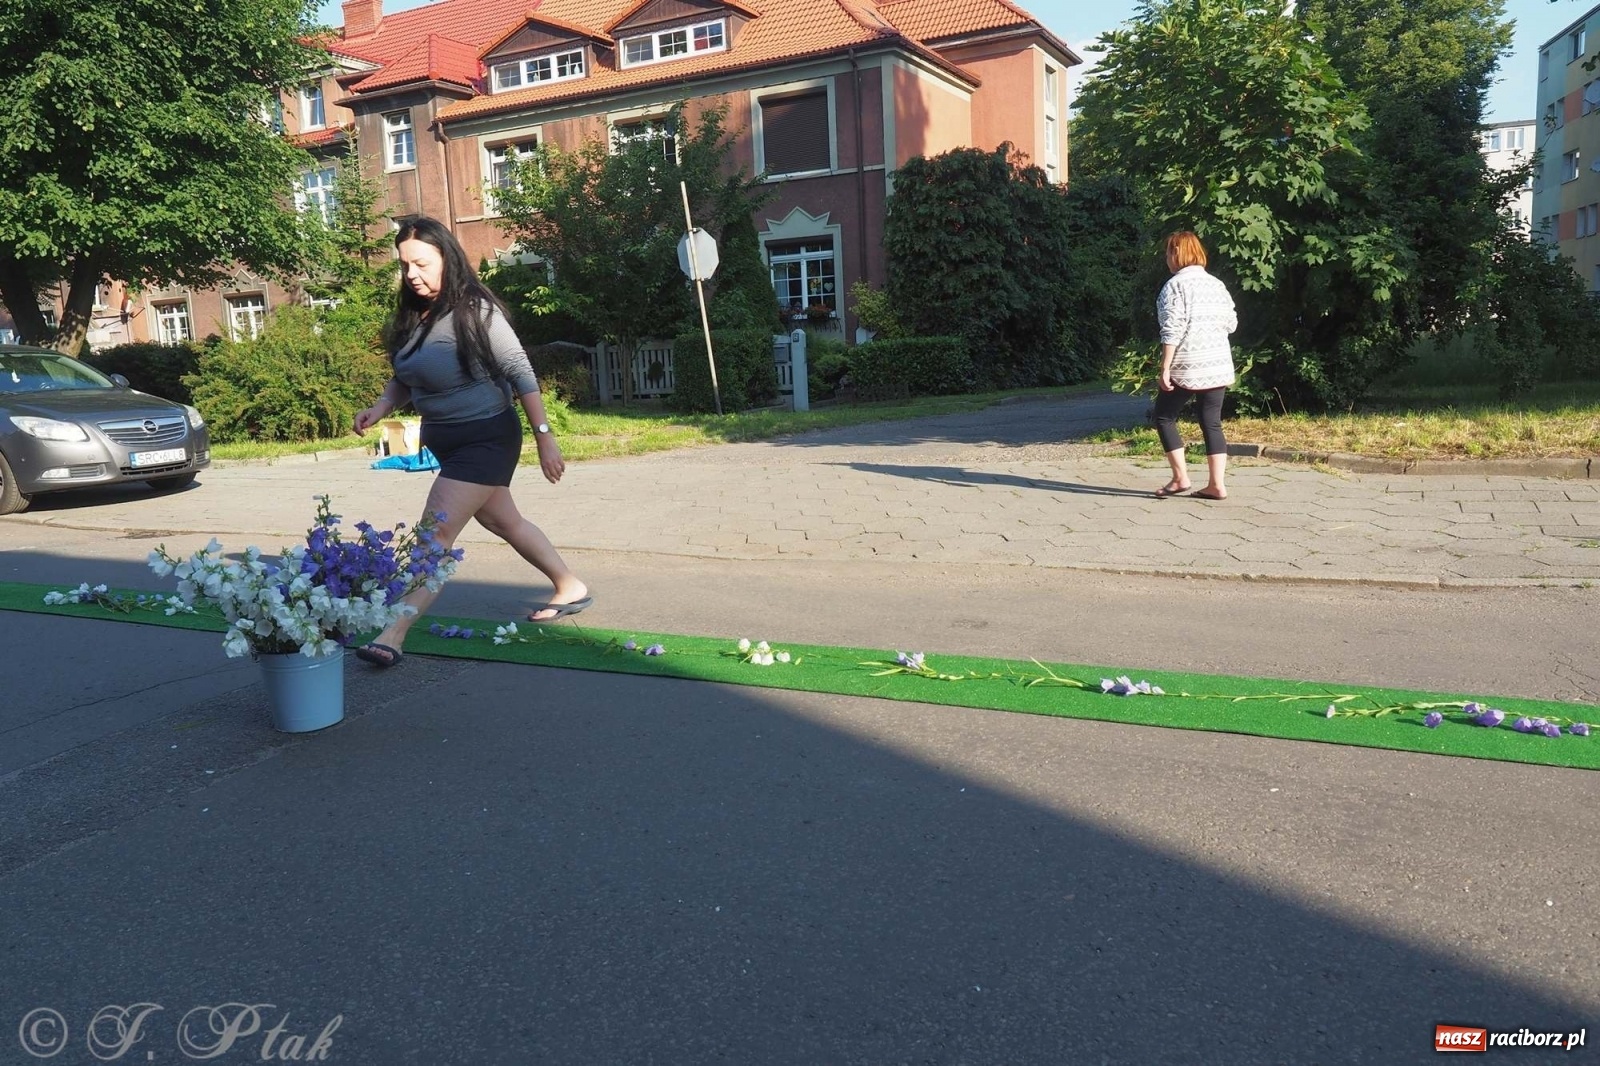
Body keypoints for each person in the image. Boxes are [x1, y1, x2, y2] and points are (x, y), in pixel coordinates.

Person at [350, 217, 590, 668]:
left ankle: (394, 632)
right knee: (505, 521)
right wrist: (381, 406)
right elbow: (406, 376)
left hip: (487, 436)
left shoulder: (475, 309)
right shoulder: (414, 316)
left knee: (435, 532)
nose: (412, 274)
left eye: (422, 264)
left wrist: (545, 438)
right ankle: (568, 585)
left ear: (447, 258)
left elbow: (520, 370)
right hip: (449, 441)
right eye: (405, 265)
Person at [1152, 230, 1238, 501]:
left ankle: (1180, 478)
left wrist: (1165, 367)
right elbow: (1232, 323)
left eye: (1168, 252)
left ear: (1177, 253)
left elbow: (1172, 329)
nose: (1166, 258)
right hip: (1217, 364)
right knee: (1212, 422)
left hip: (1187, 365)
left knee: (1163, 416)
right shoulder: (1217, 284)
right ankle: (1216, 485)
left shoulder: (1174, 286)